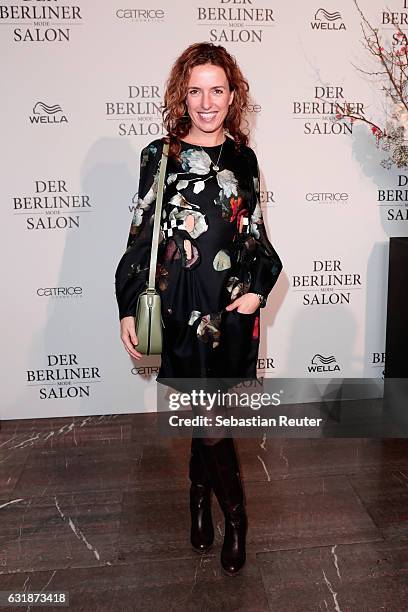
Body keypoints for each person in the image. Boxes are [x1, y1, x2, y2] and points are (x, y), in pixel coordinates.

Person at [115, 42, 283, 576]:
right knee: (204, 415)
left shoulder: (243, 158)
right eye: (195, 91)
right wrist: (127, 304)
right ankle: (223, 512)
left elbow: (254, 235)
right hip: (177, 310)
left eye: (217, 90)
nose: (206, 102)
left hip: (230, 310)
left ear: (233, 95)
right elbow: (140, 237)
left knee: (207, 415)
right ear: (180, 95)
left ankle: (215, 508)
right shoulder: (156, 157)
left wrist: (258, 289)